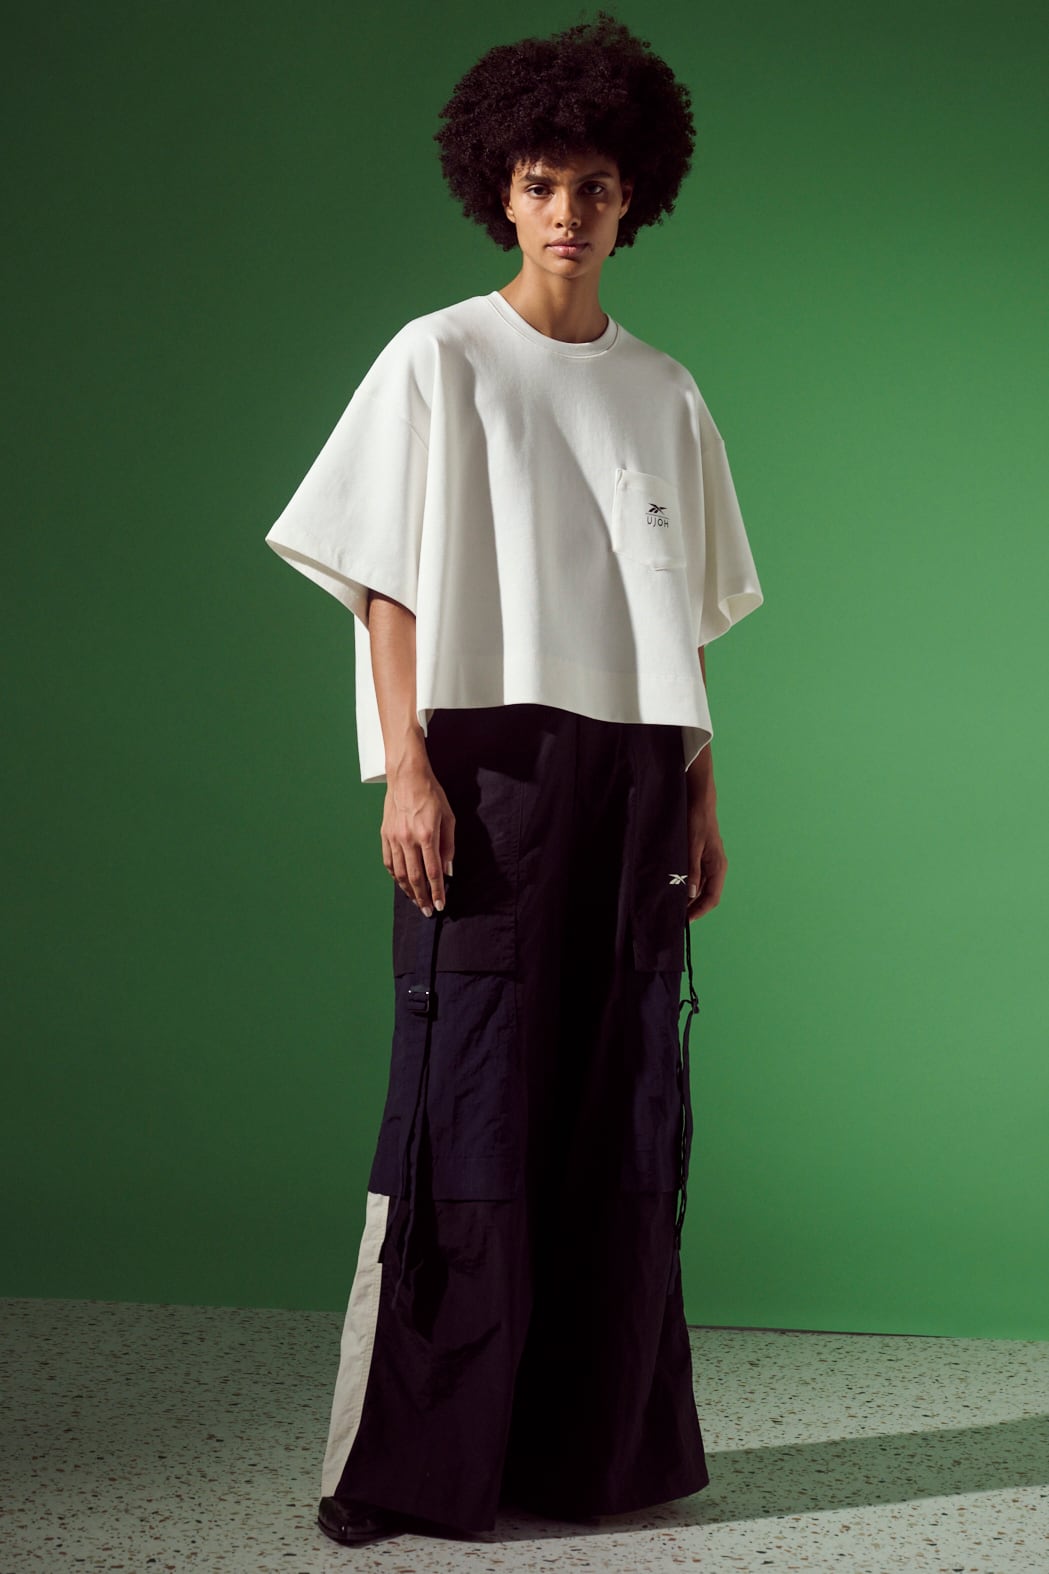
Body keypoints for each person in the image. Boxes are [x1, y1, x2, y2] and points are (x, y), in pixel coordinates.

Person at [264, 10, 763, 1549]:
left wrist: (700, 790)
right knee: (462, 1110)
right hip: (485, 772)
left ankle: (587, 1460)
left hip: (634, 777)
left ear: (633, 199)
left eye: (594, 185)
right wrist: (404, 766)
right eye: (541, 182)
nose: (566, 210)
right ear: (499, 188)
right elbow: (384, 580)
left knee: (620, 1105)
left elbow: (680, 620)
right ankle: (410, 1467)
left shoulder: (665, 391)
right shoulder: (439, 358)